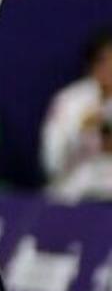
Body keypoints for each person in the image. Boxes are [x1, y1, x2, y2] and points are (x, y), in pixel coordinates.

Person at [41, 28, 112, 202]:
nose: (109, 68)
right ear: (92, 64)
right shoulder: (69, 101)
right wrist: (81, 134)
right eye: (104, 61)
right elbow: (51, 163)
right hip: (76, 194)